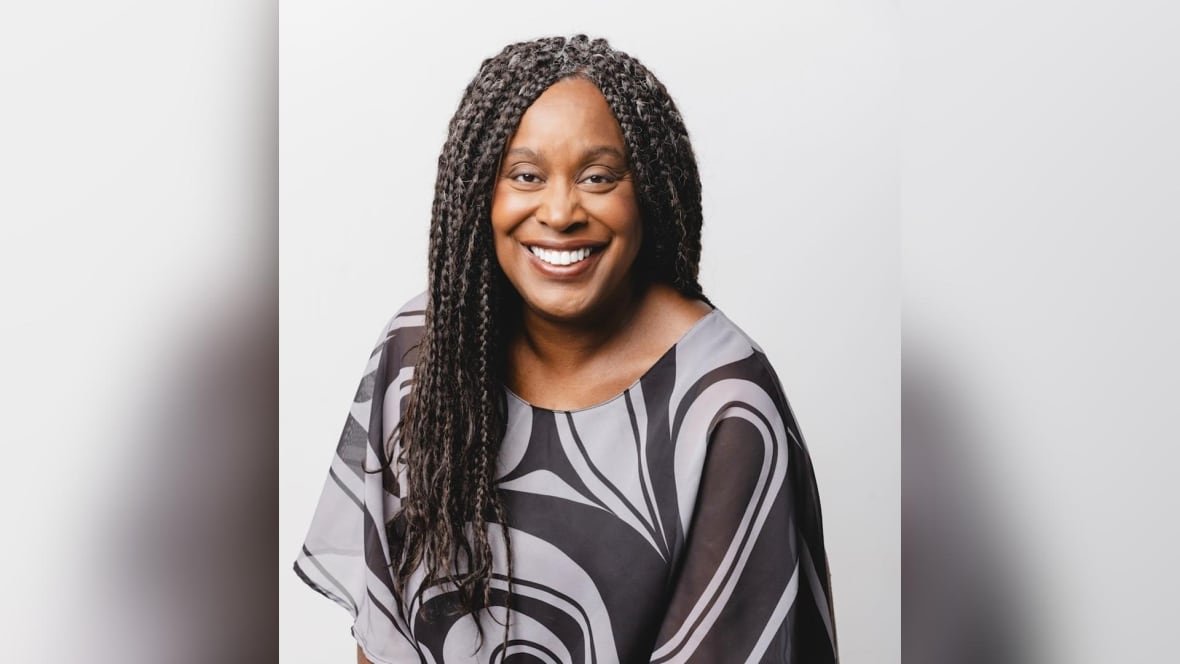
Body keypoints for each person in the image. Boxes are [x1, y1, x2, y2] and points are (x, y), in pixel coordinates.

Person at [293, 35, 838, 663]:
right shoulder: (420, 355)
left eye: (598, 177)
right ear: (480, 195)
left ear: (649, 195)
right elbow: (381, 635)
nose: (559, 211)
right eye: (526, 175)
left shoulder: (723, 405)